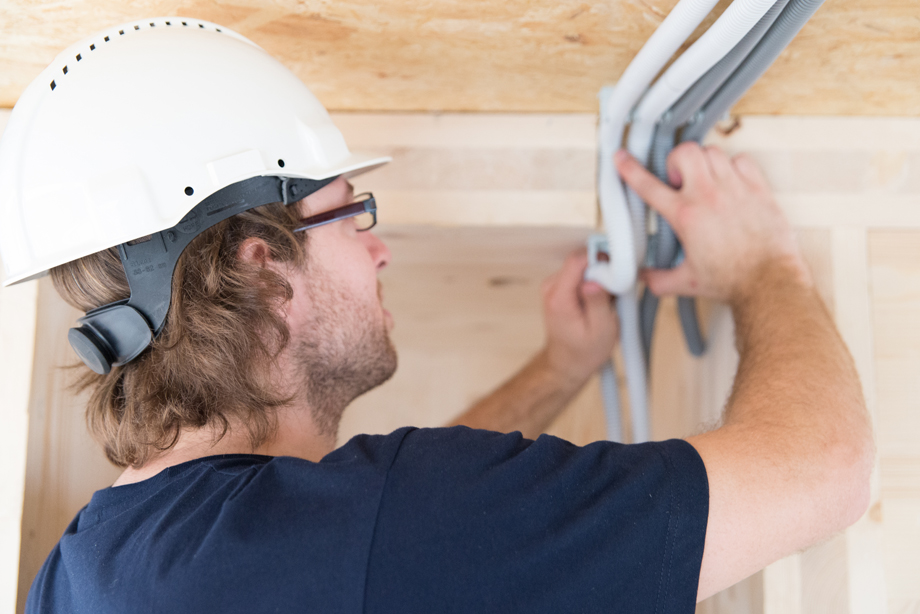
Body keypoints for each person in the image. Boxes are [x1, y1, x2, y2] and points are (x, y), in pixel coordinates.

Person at [1, 19, 872, 614]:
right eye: (353, 213)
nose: (379, 249)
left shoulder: (80, 576)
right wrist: (763, 265)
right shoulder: (365, 531)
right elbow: (825, 472)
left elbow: (397, 550)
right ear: (263, 268)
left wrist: (560, 371)